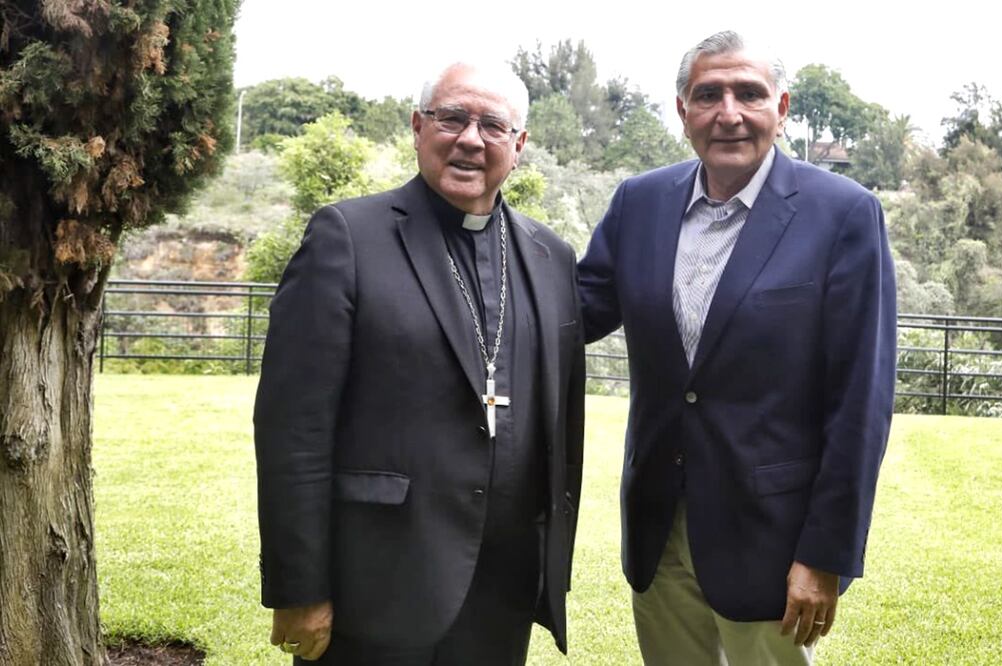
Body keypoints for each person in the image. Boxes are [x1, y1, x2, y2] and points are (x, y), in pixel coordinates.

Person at [577, 30, 896, 665]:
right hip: (656, 526)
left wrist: (825, 554)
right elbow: (570, 313)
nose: (729, 113)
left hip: (771, 539)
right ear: (682, 110)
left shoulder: (843, 214)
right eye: (708, 94)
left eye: (748, 94)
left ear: (781, 108)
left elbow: (861, 399)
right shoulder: (639, 203)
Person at [254, 60, 585, 665]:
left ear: (519, 144)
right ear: (416, 126)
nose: (469, 138)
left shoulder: (550, 256)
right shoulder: (348, 237)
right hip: (377, 584)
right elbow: (292, 430)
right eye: (451, 117)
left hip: (503, 588)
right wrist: (300, 587)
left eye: (492, 125)